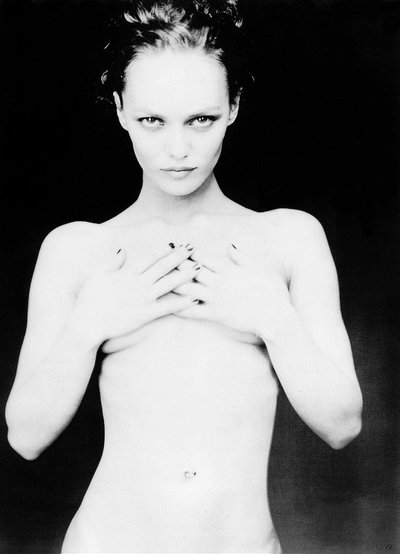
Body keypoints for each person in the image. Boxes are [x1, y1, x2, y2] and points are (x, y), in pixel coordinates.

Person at [5, 1, 363, 552]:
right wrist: (87, 327)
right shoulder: (78, 250)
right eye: (153, 120)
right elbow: (25, 438)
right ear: (120, 110)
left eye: (201, 119)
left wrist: (273, 318)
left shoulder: (288, 239)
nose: (177, 149)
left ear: (234, 106)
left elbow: (343, 426)